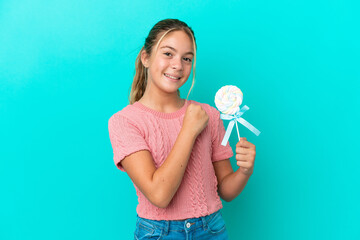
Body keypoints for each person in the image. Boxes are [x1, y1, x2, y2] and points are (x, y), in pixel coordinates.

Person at [108, 18, 256, 240]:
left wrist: (244, 171)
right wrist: (188, 131)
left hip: (212, 229)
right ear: (145, 57)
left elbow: (226, 190)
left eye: (187, 58)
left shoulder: (209, 114)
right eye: (168, 53)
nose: (178, 65)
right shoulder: (125, 121)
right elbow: (159, 195)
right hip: (159, 232)